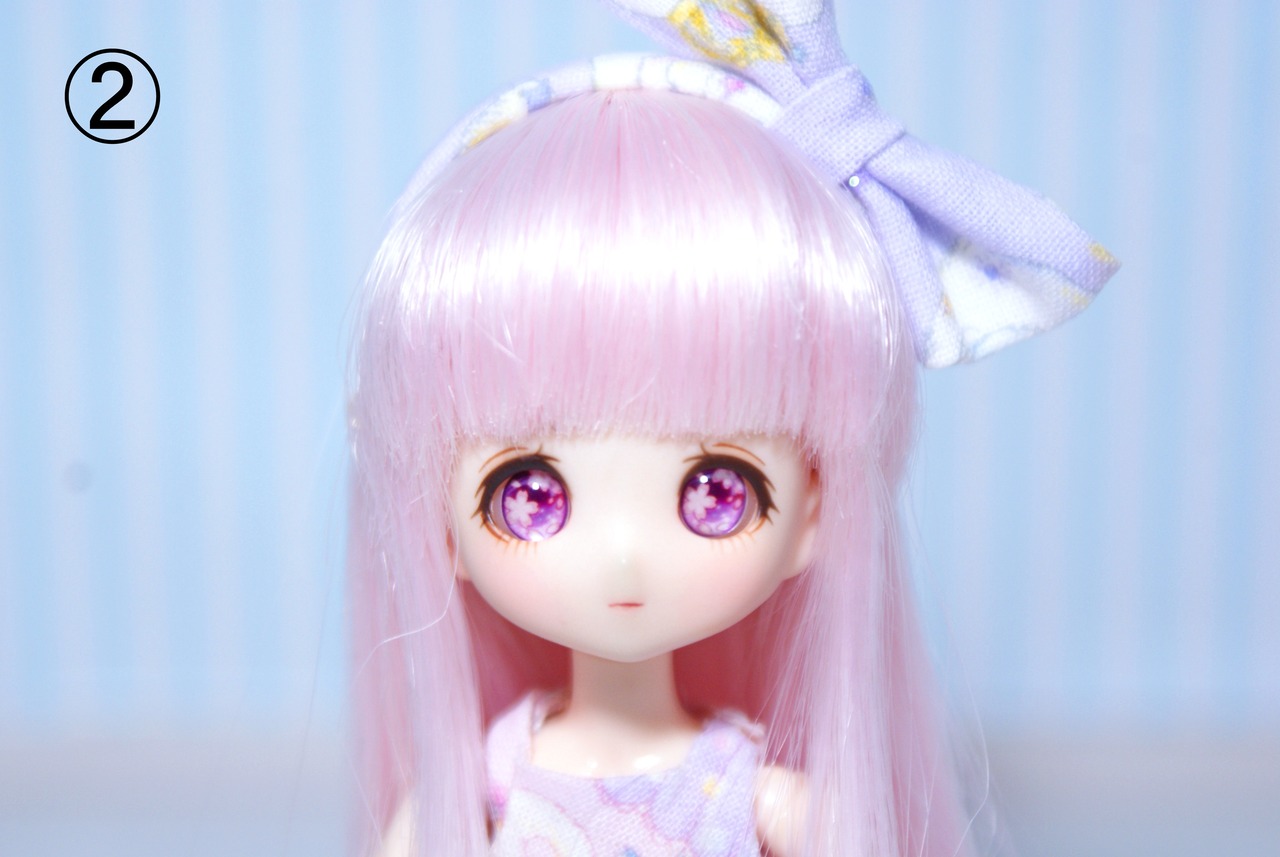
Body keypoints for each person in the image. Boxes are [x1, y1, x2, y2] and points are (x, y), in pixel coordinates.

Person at [346, 4, 1117, 855]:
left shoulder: (749, 786)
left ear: (814, 513)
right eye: (530, 494)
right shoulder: (497, 771)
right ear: (437, 518)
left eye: (716, 492)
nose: (624, 555)